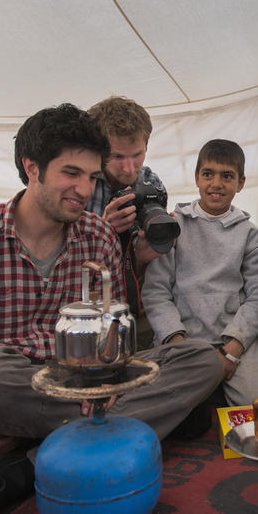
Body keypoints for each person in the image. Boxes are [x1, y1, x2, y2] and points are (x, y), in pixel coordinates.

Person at [0, 103, 223, 459]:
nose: (84, 189)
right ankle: (118, 428)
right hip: (11, 388)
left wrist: (107, 380)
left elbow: (113, 341)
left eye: (92, 177)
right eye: (71, 173)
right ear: (32, 168)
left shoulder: (99, 237)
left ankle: (43, 457)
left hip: (87, 383)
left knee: (201, 358)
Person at [142, 139, 258, 406]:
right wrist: (178, 342)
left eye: (227, 176)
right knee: (157, 403)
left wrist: (233, 350)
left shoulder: (249, 234)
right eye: (208, 174)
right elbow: (157, 292)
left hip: (235, 341)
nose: (216, 183)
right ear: (196, 178)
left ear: (240, 183)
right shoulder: (173, 225)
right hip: (183, 340)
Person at [86, 95, 168, 349]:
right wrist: (102, 230)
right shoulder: (81, 184)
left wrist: (150, 250)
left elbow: (144, 262)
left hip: (133, 293)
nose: (129, 168)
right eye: (118, 156)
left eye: (138, 154)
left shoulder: (151, 184)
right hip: (85, 295)